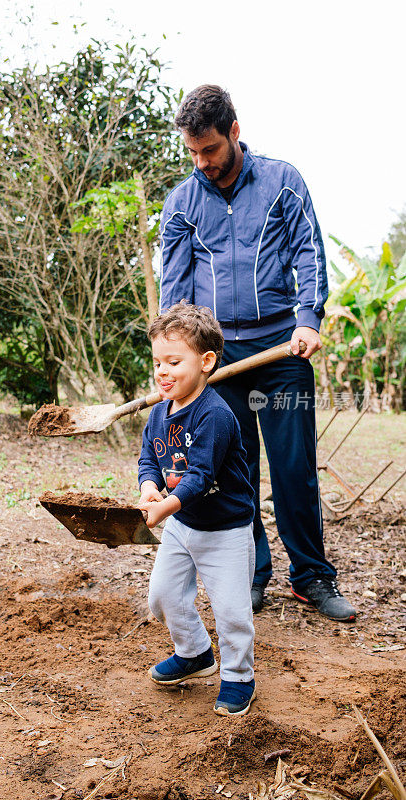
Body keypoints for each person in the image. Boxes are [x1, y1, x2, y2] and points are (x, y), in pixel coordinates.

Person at [159, 84, 356, 622]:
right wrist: (176, 358)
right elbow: (173, 288)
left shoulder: (282, 182)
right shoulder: (181, 202)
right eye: (193, 152)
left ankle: (312, 576)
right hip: (216, 362)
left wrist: (309, 318)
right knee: (232, 469)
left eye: (211, 151)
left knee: (294, 467)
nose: (202, 163)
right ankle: (251, 573)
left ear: (234, 133)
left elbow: (309, 252)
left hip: (280, 353)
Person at [138, 303, 256, 716]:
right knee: (164, 595)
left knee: (232, 610)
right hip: (182, 523)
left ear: (206, 362)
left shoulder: (216, 415)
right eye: (157, 362)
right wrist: (150, 487)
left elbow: (199, 476)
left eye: (174, 361)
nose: (162, 372)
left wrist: (163, 507)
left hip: (225, 529)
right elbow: (149, 460)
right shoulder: (157, 414)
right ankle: (194, 655)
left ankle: (239, 675)